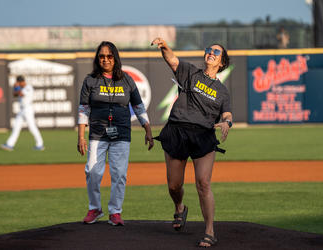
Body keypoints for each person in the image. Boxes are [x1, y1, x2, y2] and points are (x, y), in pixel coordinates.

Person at [151, 37, 232, 248]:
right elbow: (173, 60)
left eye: (216, 52)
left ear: (222, 63)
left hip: (203, 136)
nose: (211, 53)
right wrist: (165, 47)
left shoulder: (222, 91)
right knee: (174, 185)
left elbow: (228, 112)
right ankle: (180, 207)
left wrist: (227, 122)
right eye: (209, 50)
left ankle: (210, 231)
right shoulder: (190, 72)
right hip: (177, 131)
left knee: (203, 183)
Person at [77, 41, 154, 226]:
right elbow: (83, 109)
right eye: (102, 56)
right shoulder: (90, 80)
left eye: (109, 56)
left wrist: (148, 130)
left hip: (121, 133)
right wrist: (80, 136)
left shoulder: (126, 80)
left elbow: (138, 106)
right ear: (98, 58)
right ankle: (95, 208)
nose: (105, 59)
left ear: (115, 58)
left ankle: (115, 212)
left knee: (119, 173)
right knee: (93, 171)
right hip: (97, 133)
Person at [1, 75, 45, 151]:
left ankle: (40, 144)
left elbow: (21, 94)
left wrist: (17, 87)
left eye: (18, 82)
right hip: (22, 110)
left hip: (28, 109)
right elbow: (15, 95)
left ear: (21, 82)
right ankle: (9, 144)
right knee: (16, 127)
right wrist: (15, 88)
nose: (17, 83)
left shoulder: (28, 87)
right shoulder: (21, 88)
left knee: (32, 128)